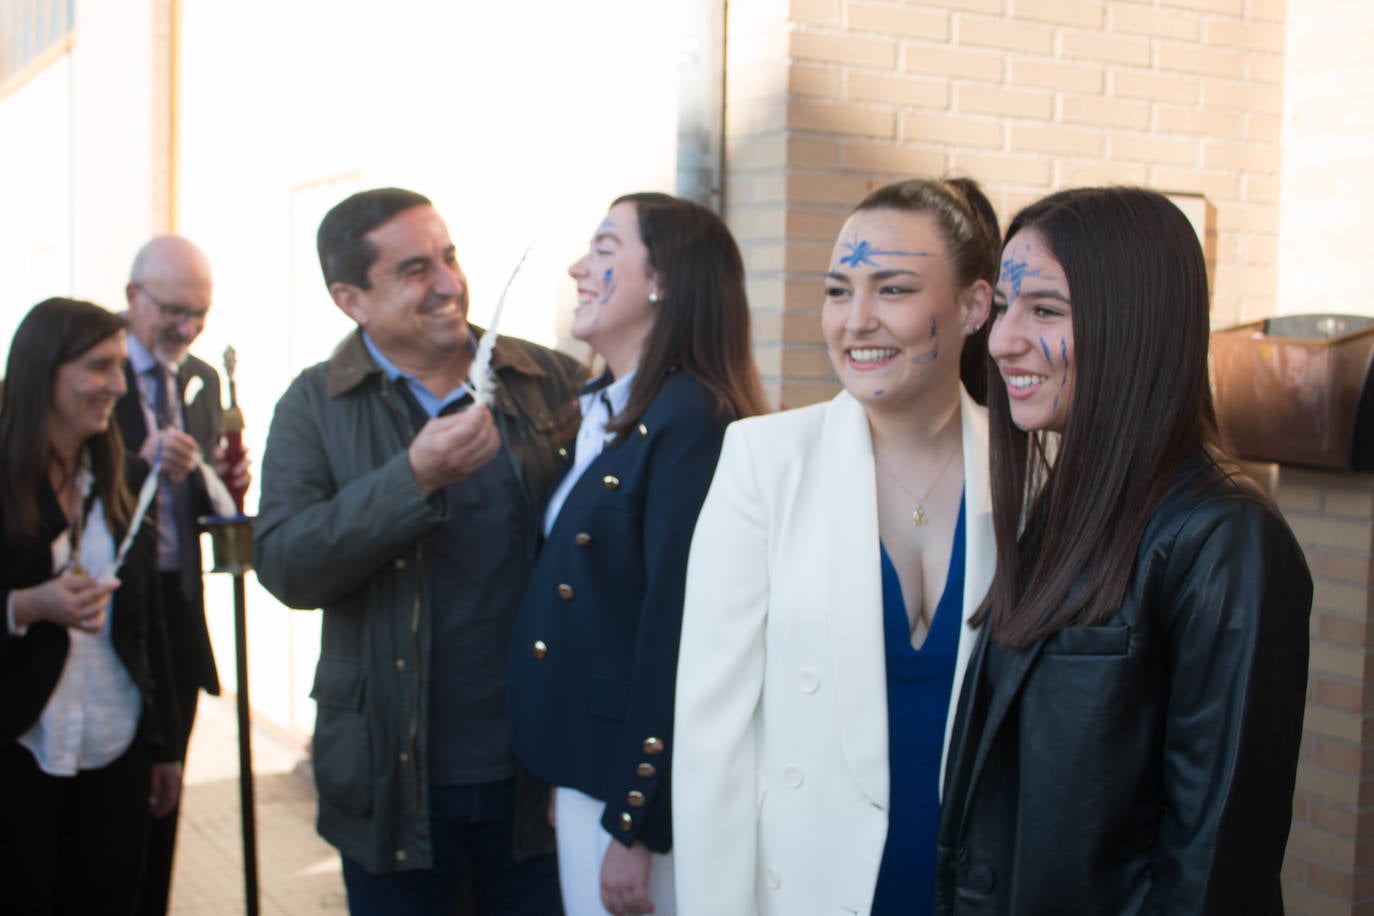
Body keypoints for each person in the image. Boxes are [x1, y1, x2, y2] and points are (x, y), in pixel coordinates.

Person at [933, 186, 1312, 913]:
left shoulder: (1224, 539)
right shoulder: (1064, 510)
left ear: (1133, 325)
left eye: (1044, 310)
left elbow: (1212, 866)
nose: (1003, 338)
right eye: (1005, 307)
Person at [673, 178, 1001, 915]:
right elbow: (710, 736)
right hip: (815, 885)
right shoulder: (765, 461)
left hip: (981, 887)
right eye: (837, 290)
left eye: (894, 290)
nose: (856, 322)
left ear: (975, 306)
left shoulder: (1029, 478)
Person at [253, 187, 585, 915]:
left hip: (540, 776)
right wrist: (412, 479)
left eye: (450, 256)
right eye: (413, 270)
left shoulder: (551, 382)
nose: (447, 284)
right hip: (390, 783)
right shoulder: (314, 405)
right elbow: (282, 564)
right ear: (351, 299)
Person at [508, 193, 768, 916]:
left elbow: (679, 636)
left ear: (663, 280)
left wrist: (634, 822)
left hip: (640, 801)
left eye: (603, 249)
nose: (577, 269)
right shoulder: (606, 410)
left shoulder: (692, 422)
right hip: (588, 777)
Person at [0, 298, 182, 914]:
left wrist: (164, 747)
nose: (118, 386)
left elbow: (149, 623)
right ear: (44, 371)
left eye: (119, 368)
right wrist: (26, 606)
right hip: (20, 745)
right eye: (99, 367)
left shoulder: (123, 477)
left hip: (115, 743)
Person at [114, 235, 247, 916]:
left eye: (201, 312)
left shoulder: (201, 379)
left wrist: (223, 488)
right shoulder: (94, 374)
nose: (188, 328)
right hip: (115, 622)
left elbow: (197, 499)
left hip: (181, 614)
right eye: (173, 311)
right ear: (133, 297)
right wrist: (137, 461)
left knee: (167, 799)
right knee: (117, 818)